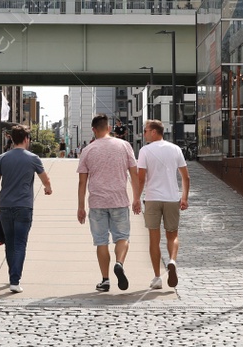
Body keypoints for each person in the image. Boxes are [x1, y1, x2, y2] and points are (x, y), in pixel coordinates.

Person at [76, 112, 137, 293]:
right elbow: (134, 175)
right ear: (109, 128)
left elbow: (82, 182)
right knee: (122, 237)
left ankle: (105, 280)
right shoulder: (124, 146)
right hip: (119, 200)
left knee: (101, 242)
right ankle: (119, 263)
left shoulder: (88, 150)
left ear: (94, 130)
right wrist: (136, 198)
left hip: (97, 202)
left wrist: (81, 207)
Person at [0, 125, 52, 293]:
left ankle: (12, 276)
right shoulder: (33, 158)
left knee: (10, 242)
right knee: (20, 243)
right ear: (26, 139)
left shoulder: (2, 158)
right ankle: (15, 280)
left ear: (12, 139)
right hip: (24, 206)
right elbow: (45, 179)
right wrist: (48, 188)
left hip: (6, 205)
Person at [136, 119, 190, 290]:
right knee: (172, 235)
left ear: (153, 131)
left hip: (152, 198)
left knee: (154, 238)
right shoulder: (175, 149)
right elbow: (185, 176)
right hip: (172, 198)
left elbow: (141, 178)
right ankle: (172, 261)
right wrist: (184, 198)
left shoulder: (145, 150)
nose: (143, 134)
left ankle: (157, 278)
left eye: (145, 131)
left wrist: (136, 197)